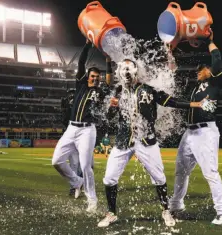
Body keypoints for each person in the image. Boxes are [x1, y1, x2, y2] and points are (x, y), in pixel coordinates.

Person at [97, 58, 208, 227]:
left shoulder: (148, 89)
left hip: (146, 141)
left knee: (159, 177)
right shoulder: (118, 92)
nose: (126, 73)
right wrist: (112, 107)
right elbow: (110, 118)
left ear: (135, 71)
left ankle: (166, 210)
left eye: (129, 69)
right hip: (123, 141)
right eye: (123, 69)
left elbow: (171, 101)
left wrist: (194, 104)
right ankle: (112, 213)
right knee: (109, 179)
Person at [168, 30, 222, 225]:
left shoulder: (214, 81)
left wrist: (210, 41)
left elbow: (217, 58)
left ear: (209, 70)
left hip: (206, 132)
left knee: (210, 172)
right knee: (181, 171)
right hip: (189, 133)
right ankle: (176, 205)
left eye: (201, 68)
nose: (198, 71)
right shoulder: (196, 87)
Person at [52, 39, 112, 213]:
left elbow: (109, 82)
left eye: (96, 77)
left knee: (86, 166)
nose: (94, 78)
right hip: (72, 128)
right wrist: (87, 44)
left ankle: (92, 199)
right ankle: (76, 182)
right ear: (87, 77)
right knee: (56, 161)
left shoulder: (100, 92)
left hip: (87, 130)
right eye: (92, 76)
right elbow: (80, 62)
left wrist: (108, 61)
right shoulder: (80, 85)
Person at [61, 89, 82, 197]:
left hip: (83, 136)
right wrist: (65, 109)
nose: (71, 98)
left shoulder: (83, 105)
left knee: (85, 164)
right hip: (72, 137)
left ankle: (80, 183)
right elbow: (64, 121)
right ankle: (74, 187)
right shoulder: (69, 109)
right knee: (74, 164)